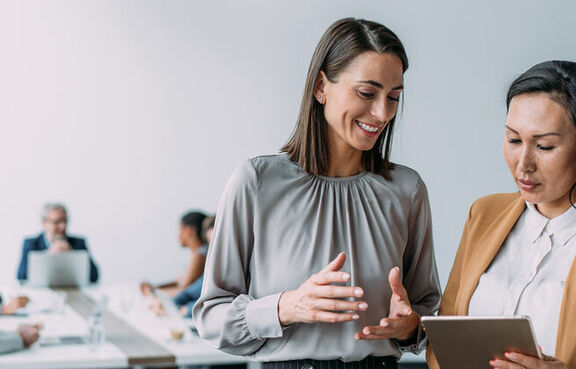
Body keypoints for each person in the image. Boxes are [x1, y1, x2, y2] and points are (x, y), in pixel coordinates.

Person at [194, 18, 441, 368]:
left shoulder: (407, 190)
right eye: (367, 93)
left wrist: (410, 327)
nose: (382, 112)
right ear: (321, 86)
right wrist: (285, 307)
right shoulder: (258, 182)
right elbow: (211, 317)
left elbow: (429, 312)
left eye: (394, 97)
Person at [426, 61, 576, 369]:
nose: (523, 165)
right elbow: (444, 341)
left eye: (545, 146)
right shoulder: (484, 214)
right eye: (514, 140)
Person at [17, 203, 99, 283]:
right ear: (45, 223)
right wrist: (47, 255)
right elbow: (21, 276)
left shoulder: (78, 243)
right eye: (57, 222)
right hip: (42, 293)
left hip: (73, 293)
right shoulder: (31, 244)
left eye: (65, 221)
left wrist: (72, 253)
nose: (63, 226)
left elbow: (94, 277)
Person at [141, 211, 207, 297]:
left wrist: (152, 293)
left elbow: (183, 290)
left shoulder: (200, 255)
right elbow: (179, 281)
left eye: (180, 230)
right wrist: (154, 287)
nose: (178, 235)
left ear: (188, 231)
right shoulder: (200, 253)